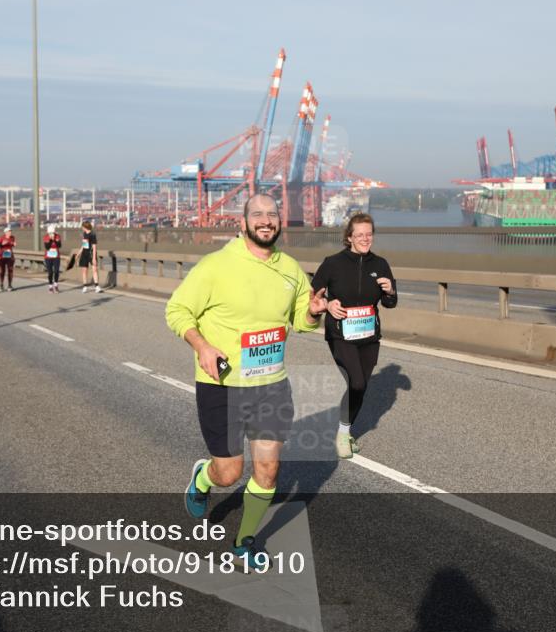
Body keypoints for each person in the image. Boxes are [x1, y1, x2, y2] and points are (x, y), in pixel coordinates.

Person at [166, 194, 327, 568]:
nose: (266, 220)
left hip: (271, 383)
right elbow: (177, 310)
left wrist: (314, 312)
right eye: (257, 214)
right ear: (243, 223)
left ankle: (244, 541)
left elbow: (301, 322)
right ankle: (203, 479)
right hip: (222, 384)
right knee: (229, 473)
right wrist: (202, 346)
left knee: (268, 470)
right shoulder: (216, 266)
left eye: (272, 214)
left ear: (279, 223)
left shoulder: (290, 269)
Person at [311, 213, 397, 459]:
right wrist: (327, 305)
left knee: (361, 387)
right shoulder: (332, 263)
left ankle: (345, 431)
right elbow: (313, 295)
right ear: (349, 237)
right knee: (356, 381)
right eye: (359, 235)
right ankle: (342, 434)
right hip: (341, 334)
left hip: (369, 336)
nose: (364, 239)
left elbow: (390, 302)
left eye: (368, 234)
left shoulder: (380, 264)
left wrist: (390, 290)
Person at [78, 220, 101, 293]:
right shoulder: (84, 233)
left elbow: (94, 247)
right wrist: (79, 252)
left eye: (82, 226)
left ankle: (97, 286)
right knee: (84, 271)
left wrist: (94, 258)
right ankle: (85, 286)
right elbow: (84, 244)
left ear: (85, 227)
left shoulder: (92, 234)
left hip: (91, 253)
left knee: (94, 269)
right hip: (84, 253)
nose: (82, 228)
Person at [0, 226, 17, 292]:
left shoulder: (13, 238)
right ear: (5, 232)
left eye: (10, 231)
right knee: (2, 270)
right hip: (1, 256)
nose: (10, 232)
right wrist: (1, 244)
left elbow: (13, 244)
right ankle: (1, 285)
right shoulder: (1, 238)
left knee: (10, 270)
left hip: (10, 255)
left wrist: (14, 244)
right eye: (8, 231)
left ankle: (9, 285)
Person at [43, 224, 62, 292]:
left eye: (52, 233)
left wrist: (55, 240)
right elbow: (47, 247)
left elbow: (59, 245)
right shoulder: (46, 237)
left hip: (56, 256)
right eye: (50, 233)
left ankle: (56, 285)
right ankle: (50, 286)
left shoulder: (57, 236)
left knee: (56, 271)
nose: (51, 234)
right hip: (48, 257)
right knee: (50, 272)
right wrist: (51, 240)